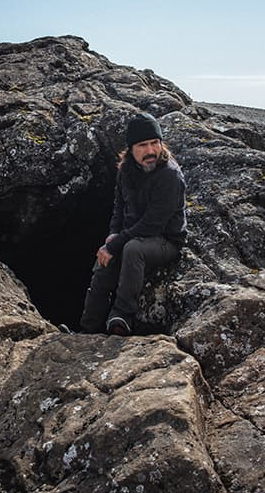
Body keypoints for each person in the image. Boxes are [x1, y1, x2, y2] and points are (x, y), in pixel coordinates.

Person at [79, 113, 187, 336]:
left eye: (154, 143)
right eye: (142, 145)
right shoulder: (126, 170)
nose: (150, 151)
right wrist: (113, 234)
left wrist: (117, 243)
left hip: (166, 240)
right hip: (133, 233)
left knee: (131, 249)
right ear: (131, 149)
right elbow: (119, 207)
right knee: (104, 261)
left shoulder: (169, 175)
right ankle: (87, 329)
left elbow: (153, 224)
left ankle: (121, 317)